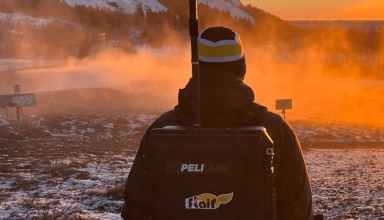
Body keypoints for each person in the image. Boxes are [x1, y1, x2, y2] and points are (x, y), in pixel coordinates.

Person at [121, 26, 314, 220]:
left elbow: (136, 208)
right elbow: (298, 210)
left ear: (197, 68)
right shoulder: (275, 129)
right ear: (242, 69)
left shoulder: (162, 128)